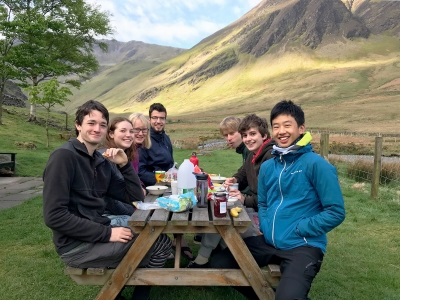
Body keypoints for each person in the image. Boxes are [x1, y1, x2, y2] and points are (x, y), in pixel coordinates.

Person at [210, 100, 346, 300]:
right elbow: (263, 203)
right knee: (218, 264)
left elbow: (335, 211)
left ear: (301, 128)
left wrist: (300, 229)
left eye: (287, 125)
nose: (281, 131)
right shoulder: (268, 167)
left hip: (303, 246)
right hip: (269, 241)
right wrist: (265, 224)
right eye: (276, 126)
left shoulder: (317, 165)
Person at [42, 100, 172, 300]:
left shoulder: (100, 161)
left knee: (156, 238)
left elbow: (135, 197)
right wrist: (106, 233)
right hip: (76, 246)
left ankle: (120, 295)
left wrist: (124, 165)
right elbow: (54, 216)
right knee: (160, 243)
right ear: (78, 125)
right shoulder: (63, 157)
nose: (97, 129)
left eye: (102, 124)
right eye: (91, 123)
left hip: (96, 233)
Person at [188, 114, 275, 268]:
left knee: (222, 215)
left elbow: (267, 199)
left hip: (264, 219)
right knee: (220, 210)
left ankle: (205, 257)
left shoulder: (269, 158)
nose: (248, 139)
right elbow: (243, 172)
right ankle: (213, 253)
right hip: (256, 209)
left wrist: (244, 199)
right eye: (245, 135)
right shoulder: (254, 154)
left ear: (265, 135)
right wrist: (234, 180)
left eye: (252, 134)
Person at [138, 102, 194, 261]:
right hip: (152, 188)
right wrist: (164, 178)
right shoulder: (145, 141)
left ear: (165, 120)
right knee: (165, 212)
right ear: (149, 119)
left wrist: (175, 171)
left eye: (161, 118)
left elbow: (169, 163)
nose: (158, 121)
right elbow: (141, 171)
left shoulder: (166, 139)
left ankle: (180, 239)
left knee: (182, 204)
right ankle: (159, 243)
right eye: (154, 118)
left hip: (169, 184)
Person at [99, 117, 145, 227]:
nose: (129, 135)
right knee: (148, 226)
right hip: (104, 217)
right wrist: (133, 212)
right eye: (123, 131)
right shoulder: (104, 157)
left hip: (121, 210)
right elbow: (107, 199)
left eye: (131, 131)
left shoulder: (124, 157)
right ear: (111, 134)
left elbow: (136, 193)